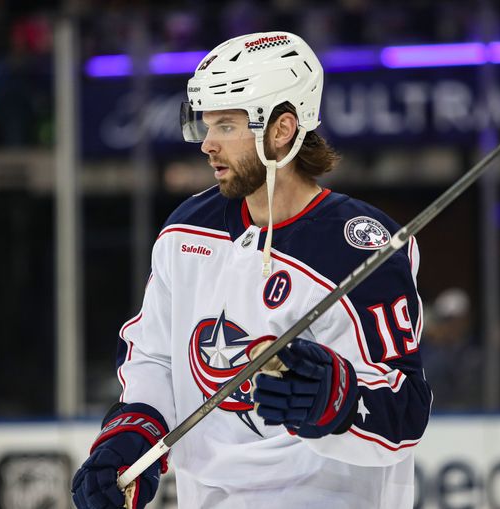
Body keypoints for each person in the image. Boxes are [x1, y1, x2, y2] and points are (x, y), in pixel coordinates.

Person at [71, 31, 432, 509]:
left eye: (225, 126)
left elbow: (405, 411)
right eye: (205, 125)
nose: (207, 145)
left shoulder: (361, 245)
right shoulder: (186, 233)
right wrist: (132, 436)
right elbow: (155, 358)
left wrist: (336, 397)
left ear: (281, 130)